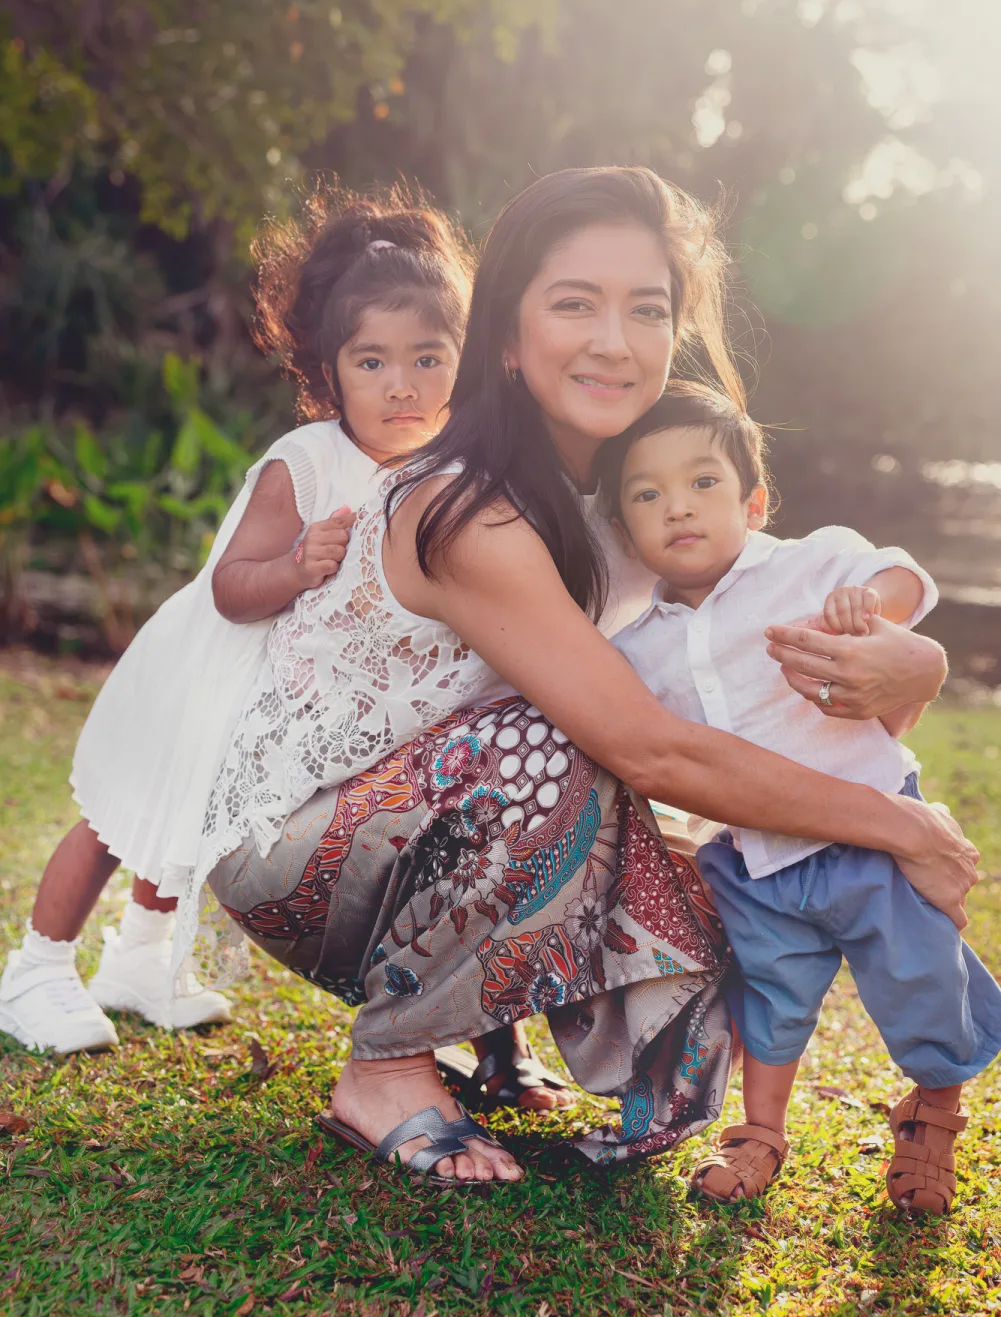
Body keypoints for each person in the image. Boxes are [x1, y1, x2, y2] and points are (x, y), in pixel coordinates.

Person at [189, 165, 975, 1188]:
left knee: (713, 934)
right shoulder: (467, 509)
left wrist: (912, 654)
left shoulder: (641, 503)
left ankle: (490, 1045)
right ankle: (384, 1067)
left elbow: (793, 631)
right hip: (292, 844)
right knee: (557, 739)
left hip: (428, 821)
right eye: (574, 304)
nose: (614, 339)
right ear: (506, 340)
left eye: (645, 309)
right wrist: (901, 826)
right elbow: (642, 746)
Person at [0, 185, 472, 1054]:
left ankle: (141, 959)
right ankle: (36, 965)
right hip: (206, 670)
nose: (400, 386)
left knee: (190, 829)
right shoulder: (309, 461)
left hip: (273, 703)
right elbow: (230, 586)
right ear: (329, 372)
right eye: (370, 363)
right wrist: (296, 567)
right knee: (122, 818)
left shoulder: (439, 472)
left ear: (461, 363)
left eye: (427, 359)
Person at [601, 389, 1001, 1214]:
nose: (676, 506)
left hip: (874, 835)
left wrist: (871, 610)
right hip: (753, 858)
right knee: (770, 998)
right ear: (622, 528)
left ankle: (932, 1111)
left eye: (702, 482)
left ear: (752, 502)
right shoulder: (634, 646)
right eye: (646, 494)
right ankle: (758, 1133)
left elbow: (900, 579)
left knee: (920, 976)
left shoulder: (806, 564)